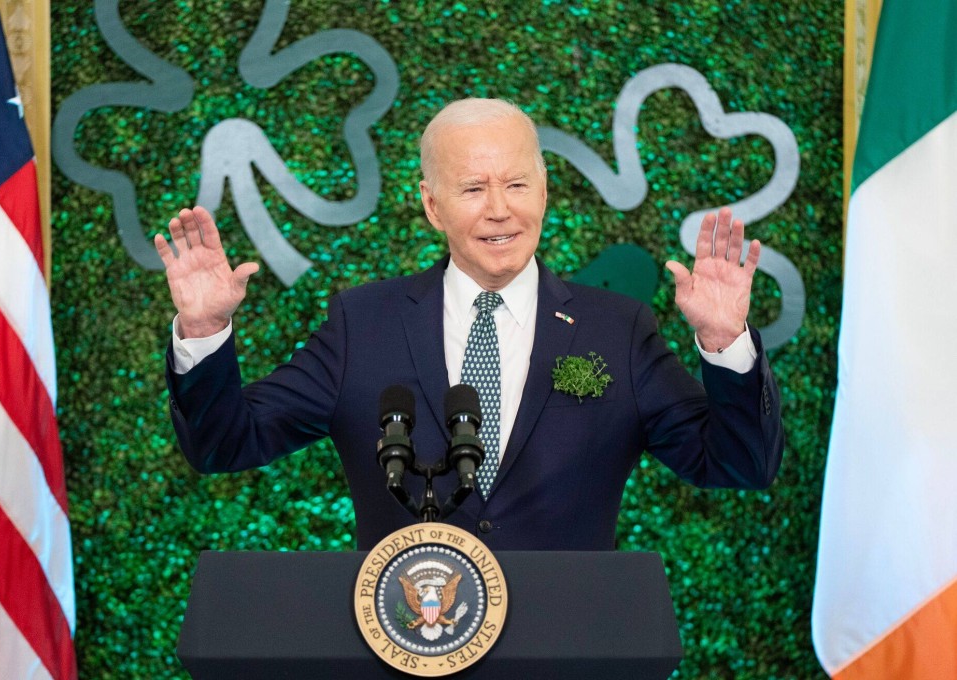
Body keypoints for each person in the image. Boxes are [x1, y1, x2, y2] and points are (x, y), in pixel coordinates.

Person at [157, 98, 784, 551]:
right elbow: (224, 445)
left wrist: (724, 343)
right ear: (432, 205)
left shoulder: (616, 329)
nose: (500, 210)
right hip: (405, 648)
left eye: (517, 184)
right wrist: (204, 331)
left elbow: (739, 464)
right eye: (473, 189)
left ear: (544, 191)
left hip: (563, 653)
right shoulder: (363, 323)